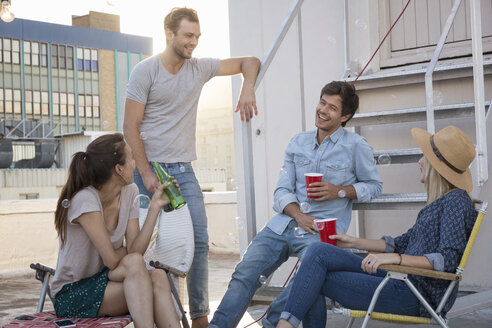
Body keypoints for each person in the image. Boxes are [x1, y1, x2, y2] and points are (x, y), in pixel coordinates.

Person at [123, 8, 260, 327]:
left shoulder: (198, 68)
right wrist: (144, 172)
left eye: (197, 36)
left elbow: (249, 61)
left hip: (183, 171)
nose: (194, 42)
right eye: (188, 35)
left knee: (198, 240)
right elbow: (130, 127)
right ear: (169, 34)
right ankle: (155, 311)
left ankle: (199, 317)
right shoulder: (145, 71)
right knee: (142, 248)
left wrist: (247, 86)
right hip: (146, 169)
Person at [209, 81, 383, 328]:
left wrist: (339, 191)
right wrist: (298, 215)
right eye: (322, 102)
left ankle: (272, 324)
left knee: (305, 278)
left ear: (345, 116)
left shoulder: (356, 146)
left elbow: (374, 186)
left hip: (322, 231)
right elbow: (281, 190)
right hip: (285, 223)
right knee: (245, 272)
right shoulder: (297, 142)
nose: (323, 110)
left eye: (332, 108)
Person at [277, 125, 478, 328]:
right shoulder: (440, 203)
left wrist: (395, 259)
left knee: (314, 278)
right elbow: (400, 243)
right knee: (318, 250)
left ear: (437, 166)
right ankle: (285, 324)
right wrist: (352, 241)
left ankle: (284, 325)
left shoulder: (456, 202)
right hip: (400, 279)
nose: (419, 161)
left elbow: (448, 259)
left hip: (414, 293)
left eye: (424, 155)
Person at [51, 133, 181, 328]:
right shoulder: (85, 199)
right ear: (119, 169)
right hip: (73, 293)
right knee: (140, 267)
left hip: (107, 282)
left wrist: (155, 207)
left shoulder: (130, 192)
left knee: (158, 276)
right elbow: (111, 260)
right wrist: (127, 252)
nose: (135, 163)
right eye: (131, 157)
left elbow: (136, 250)